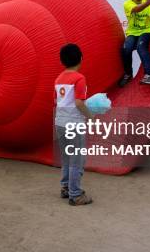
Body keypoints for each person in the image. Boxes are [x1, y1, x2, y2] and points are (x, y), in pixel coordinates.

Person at [54, 43, 94, 206]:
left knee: (66, 158)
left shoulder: (58, 79)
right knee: (76, 160)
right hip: (74, 124)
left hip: (60, 123)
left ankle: (66, 187)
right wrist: (90, 116)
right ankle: (75, 194)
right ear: (81, 59)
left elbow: (56, 102)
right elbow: (79, 102)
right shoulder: (79, 78)